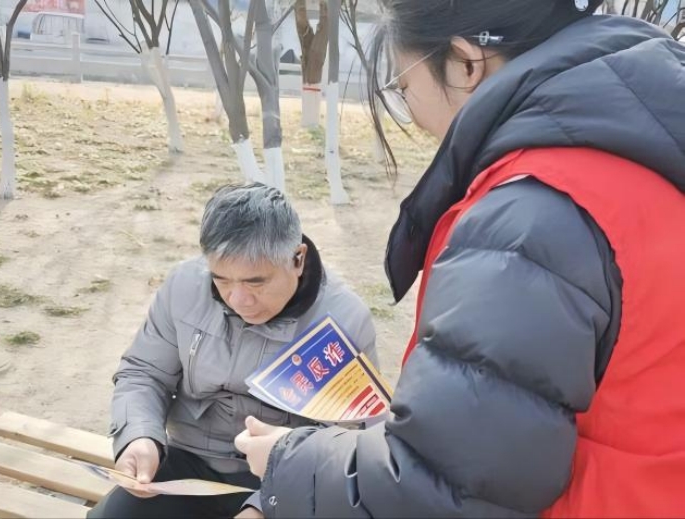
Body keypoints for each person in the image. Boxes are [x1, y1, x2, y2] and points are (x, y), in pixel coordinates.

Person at [234, 1, 685, 517]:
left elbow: (446, 488)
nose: (410, 110)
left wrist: (287, 460)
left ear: (465, 63)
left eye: (403, 85)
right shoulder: (644, 151)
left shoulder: (531, 217)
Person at [88, 183, 378, 519]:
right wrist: (140, 436)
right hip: (188, 463)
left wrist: (264, 506)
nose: (239, 299)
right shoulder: (185, 286)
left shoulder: (342, 320)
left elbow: (346, 442)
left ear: (297, 259)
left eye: (256, 282)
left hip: (288, 478)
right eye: (222, 280)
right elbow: (144, 372)